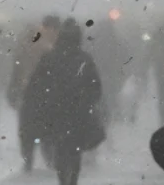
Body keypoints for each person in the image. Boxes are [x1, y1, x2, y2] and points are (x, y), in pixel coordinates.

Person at [22, 19, 104, 185]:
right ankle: (73, 179)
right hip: (78, 113)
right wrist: (87, 102)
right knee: (75, 150)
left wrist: (39, 102)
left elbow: (35, 85)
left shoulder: (49, 58)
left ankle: (62, 179)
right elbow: (96, 87)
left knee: (60, 148)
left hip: (55, 112)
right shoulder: (84, 59)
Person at [10, 15, 61, 171]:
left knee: (28, 128)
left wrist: (14, 88)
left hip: (29, 91)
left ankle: (28, 160)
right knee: (47, 127)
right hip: (48, 92)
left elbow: (18, 65)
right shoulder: (54, 44)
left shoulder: (29, 41)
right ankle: (47, 160)